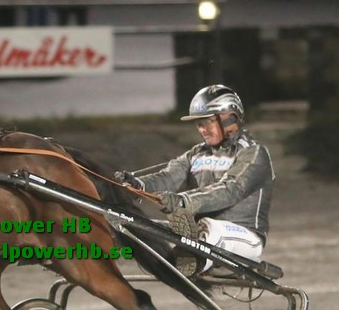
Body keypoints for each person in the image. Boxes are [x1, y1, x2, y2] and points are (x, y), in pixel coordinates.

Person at [115, 85, 275, 274]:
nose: (202, 130)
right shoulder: (196, 154)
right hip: (199, 234)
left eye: (207, 122)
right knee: (141, 225)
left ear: (230, 118)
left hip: (245, 237)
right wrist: (137, 184)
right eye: (199, 124)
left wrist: (183, 201)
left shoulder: (254, 153)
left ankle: (186, 264)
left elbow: (230, 190)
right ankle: (181, 258)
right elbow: (168, 177)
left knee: (210, 228)